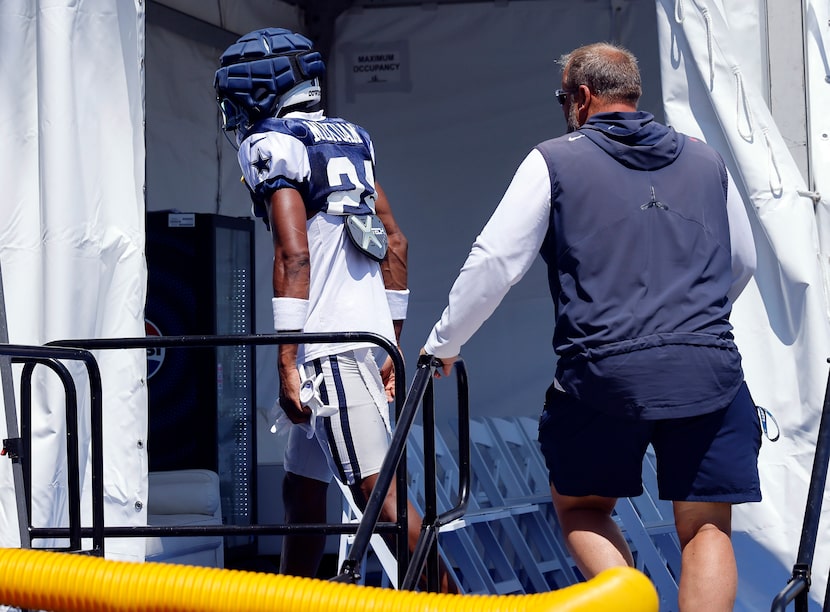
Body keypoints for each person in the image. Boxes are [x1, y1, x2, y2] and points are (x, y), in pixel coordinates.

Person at [421, 42, 760, 611]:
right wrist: (692, 322)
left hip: (604, 374)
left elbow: (496, 261)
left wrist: (444, 344)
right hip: (708, 369)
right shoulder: (706, 159)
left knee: (582, 506)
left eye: (563, 98)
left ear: (581, 97)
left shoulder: (555, 158)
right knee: (706, 529)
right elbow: (742, 261)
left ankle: (632, 602)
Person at [214, 27, 458, 592]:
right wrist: (389, 340)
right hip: (361, 342)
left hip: (324, 351)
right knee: (302, 493)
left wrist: (286, 362)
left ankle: (457, 605)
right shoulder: (353, 137)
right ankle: (292, 602)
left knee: (382, 500)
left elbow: (293, 253)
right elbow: (395, 243)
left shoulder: (272, 142)